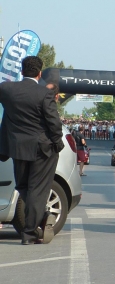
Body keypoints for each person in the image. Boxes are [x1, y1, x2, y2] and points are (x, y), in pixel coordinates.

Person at [0, 56, 64, 245]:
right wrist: (57, 141)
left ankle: (38, 218)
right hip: (42, 149)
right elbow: (54, 122)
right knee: (38, 189)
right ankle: (29, 232)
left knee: (23, 186)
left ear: (21, 71)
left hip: (18, 148)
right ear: (39, 73)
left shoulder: (6, 89)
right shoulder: (44, 94)